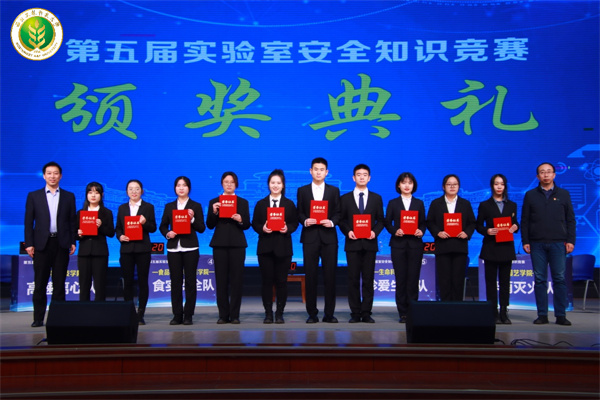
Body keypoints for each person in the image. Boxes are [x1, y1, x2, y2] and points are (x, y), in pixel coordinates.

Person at [521, 162, 576, 326]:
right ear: (537, 176)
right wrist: (525, 241)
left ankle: (561, 315)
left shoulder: (564, 194)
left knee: (559, 278)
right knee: (539, 279)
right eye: (542, 172)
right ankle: (542, 315)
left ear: (554, 175)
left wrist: (571, 240)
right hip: (537, 243)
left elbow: (570, 219)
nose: (546, 175)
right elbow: (525, 220)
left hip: (558, 243)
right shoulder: (530, 195)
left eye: (549, 172)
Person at [24, 161, 77, 327]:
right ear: (44, 176)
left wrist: (72, 241)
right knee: (40, 282)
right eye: (49, 173)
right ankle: (38, 318)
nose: (52, 176)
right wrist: (29, 243)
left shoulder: (69, 196)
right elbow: (28, 222)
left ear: (60, 176)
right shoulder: (34, 196)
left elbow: (71, 221)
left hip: (61, 243)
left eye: (55, 173)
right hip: (41, 244)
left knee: (59, 283)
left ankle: (58, 318)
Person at [296, 157, 341, 324]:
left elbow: (338, 212)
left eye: (322, 170)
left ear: (326, 172)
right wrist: (305, 220)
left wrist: (332, 222)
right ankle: (312, 313)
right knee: (311, 276)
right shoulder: (303, 190)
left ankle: (329, 314)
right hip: (310, 237)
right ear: (310, 171)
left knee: (330, 277)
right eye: (316, 169)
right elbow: (299, 212)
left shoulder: (333, 191)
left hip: (329, 238)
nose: (318, 172)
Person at [251, 169, 298, 324]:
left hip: (283, 249)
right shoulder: (261, 204)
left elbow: (294, 223)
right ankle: (268, 313)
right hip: (265, 249)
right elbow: (255, 223)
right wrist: (262, 228)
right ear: (268, 184)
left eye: (278, 183)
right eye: (273, 183)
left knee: (281, 282)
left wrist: (287, 228)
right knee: (266, 282)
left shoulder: (289, 204)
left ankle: (279, 313)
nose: (275, 185)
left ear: (283, 185)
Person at [339, 164, 384, 323]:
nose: (362, 177)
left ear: (369, 178)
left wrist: (375, 232)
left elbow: (381, 220)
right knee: (352, 279)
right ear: (354, 178)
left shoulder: (376, 198)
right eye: (359, 174)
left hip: (370, 244)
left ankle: (366, 312)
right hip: (352, 244)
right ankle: (355, 312)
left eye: (365, 174)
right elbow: (341, 220)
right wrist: (348, 231)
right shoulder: (345, 198)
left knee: (368, 279)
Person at [159, 176, 205, 325]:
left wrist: (192, 219)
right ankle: (177, 314)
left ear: (189, 188)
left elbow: (201, 228)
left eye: (184, 185)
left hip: (191, 247)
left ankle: (188, 315)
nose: (181, 188)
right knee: (175, 282)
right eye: (178, 185)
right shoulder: (169, 206)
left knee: (191, 281)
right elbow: (162, 226)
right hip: (174, 248)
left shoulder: (195, 206)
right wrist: (168, 233)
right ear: (175, 188)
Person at [206, 172, 251, 324]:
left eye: (232, 182)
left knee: (237, 281)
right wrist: (214, 212)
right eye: (226, 182)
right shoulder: (214, 202)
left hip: (237, 245)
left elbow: (247, 224)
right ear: (222, 184)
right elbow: (209, 225)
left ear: (236, 184)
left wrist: (240, 219)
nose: (229, 184)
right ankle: (223, 315)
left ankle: (235, 315)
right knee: (221, 281)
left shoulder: (242, 202)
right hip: (219, 244)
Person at [476, 174, 519, 324]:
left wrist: (516, 226)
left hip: (506, 248)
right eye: (496, 184)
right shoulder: (485, 205)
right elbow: (478, 225)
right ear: (492, 186)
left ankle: (504, 312)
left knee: (505, 282)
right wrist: (487, 230)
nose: (499, 187)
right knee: (491, 282)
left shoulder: (512, 205)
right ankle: (492, 311)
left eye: (502, 184)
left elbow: (515, 223)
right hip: (491, 247)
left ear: (505, 186)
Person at [426, 174, 476, 302]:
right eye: (449, 184)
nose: (452, 187)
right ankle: (445, 307)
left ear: (459, 186)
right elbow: (430, 222)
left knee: (458, 279)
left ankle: (457, 308)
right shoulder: (436, 203)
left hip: (460, 246)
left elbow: (472, 222)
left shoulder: (465, 204)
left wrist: (467, 233)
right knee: (444, 279)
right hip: (443, 246)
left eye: (455, 184)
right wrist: (438, 232)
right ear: (444, 187)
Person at [384, 172, 426, 323]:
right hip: (398, 245)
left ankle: (413, 310)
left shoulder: (419, 203)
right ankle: (402, 312)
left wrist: (421, 231)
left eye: (410, 183)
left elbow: (423, 223)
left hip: (415, 245)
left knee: (413, 278)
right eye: (404, 183)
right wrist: (395, 230)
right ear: (398, 185)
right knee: (400, 278)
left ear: (414, 185)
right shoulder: (393, 203)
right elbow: (387, 222)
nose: (407, 186)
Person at [115, 179, 157, 325]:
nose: (134, 191)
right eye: (131, 189)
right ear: (127, 192)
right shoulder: (122, 208)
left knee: (143, 281)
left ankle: (140, 313)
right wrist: (120, 236)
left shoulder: (148, 207)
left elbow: (153, 228)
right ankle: (129, 312)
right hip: (126, 249)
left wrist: (145, 223)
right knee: (127, 281)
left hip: (142, 249)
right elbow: (118, 228)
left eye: (137, 188)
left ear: (142, 191)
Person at [76, 182, 115, 302]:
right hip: (84, 252)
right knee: (84, 284)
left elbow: (111, 233)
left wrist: (101, 226)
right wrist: (79, 234)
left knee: (100, 284)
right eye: (90, 192)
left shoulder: (107, 212)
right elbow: (74, 234)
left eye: (96, 193)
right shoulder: (80, 213)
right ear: (86, 195)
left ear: (102, 195)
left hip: (100, 252)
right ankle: (83, 309)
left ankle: (100, 309)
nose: (93, 195)